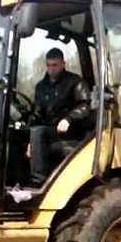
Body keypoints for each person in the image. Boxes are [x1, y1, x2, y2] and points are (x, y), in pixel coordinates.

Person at [26, 48, 92, 187]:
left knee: (38, 132)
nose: (51, 69)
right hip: (50, 132)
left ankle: (38, 181)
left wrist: (69, 118)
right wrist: (30, 140)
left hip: (71, 131)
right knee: (18, 135)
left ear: (63, 64)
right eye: (48, 65)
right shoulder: (41, 87)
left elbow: (85, 106)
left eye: (55, 65)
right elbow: (37, 114)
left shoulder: (75, 82)